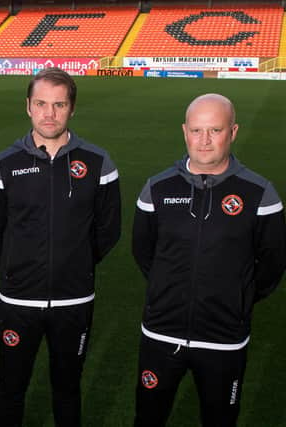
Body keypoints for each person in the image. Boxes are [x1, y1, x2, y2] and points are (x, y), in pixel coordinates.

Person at [132, 93, 286, 426]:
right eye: (197, 130)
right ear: (185, 131)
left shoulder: (260, 194)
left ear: (232, 132)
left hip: (224, 339)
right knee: (147, 418)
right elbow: (144, 252)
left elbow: (273, 264)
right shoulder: (156, 189)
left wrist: (237, 297)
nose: (204, 141)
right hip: (162, 334)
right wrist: (169, 289)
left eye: (214, 130)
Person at [0, 67, 121, 426]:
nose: (49, 113)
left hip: (74, 301)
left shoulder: (98, 163)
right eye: (41, 103)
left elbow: (108, 232)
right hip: (18, 302)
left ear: (72, 108)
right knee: (11, 388)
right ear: (28, 106)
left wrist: (76, 264)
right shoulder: (4, 164)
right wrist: (18, 265)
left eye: (59, 105)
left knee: (68, 388)